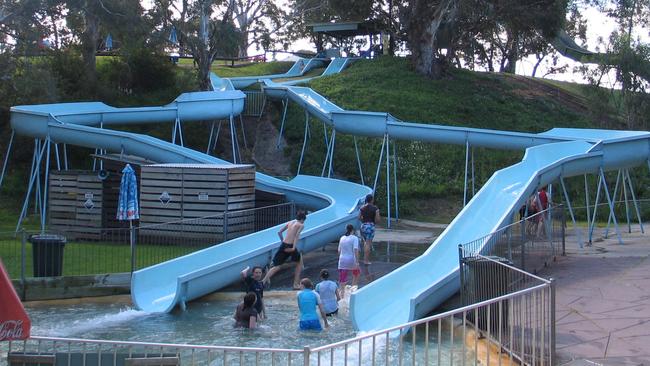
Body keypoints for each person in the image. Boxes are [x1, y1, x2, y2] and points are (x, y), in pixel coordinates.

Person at [263, 211, 307, 289]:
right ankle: (295, 284)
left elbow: (279, 232)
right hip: (290, 246)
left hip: (283, 245)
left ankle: (263, 281)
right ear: (303, 219)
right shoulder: (301, 225)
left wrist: (282, 241)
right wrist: (293, 247)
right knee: (299, 263)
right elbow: (297, 236)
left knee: (277, 266)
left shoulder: (290, 222)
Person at [358, 194, 380, 264]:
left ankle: (365, 259)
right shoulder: (375, 208)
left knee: (365, 243)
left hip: (363, 226)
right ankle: (366, 261)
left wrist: (363, 221)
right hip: (370, 226)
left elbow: (359, 217)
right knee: (368, 243)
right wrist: (373, 223)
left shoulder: (362, 208)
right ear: (372, 200)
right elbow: (377, 219)